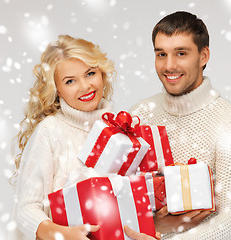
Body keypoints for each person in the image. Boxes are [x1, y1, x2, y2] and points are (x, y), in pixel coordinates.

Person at [8, 34, 159, 240]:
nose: (85, 86)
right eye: (70, 81)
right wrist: (62, 234)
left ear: (102, 74)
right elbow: (25, 210)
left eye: (90, 74)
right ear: (57, 90)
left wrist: (150, 227)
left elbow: (129, 199)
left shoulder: (122, 130)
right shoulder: (50, 131)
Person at [130, 11, 231, 239]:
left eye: (181, 53)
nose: (169, 65)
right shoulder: (141, 113)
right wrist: (153, 224)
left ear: (203, 55)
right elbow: (120, 199)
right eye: (161, 54)